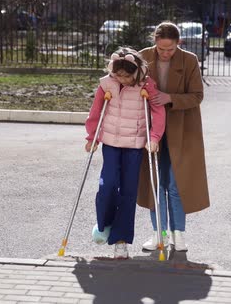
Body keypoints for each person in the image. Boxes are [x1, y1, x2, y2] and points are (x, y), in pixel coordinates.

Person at [85, 47, 165, 259]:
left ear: (136, 72)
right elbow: (96, 111)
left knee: (128, 192)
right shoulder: (107, 84)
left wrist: (154, 137)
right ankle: (104, 224)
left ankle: (120, 241)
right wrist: (92, 136)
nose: (122, 80)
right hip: (111, 142)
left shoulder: (147, 85)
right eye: (118, 75)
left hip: (136, 145)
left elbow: (158, 112)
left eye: (126, 77)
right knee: (108, 185)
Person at [137, 22, 210, 252]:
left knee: (176, 184)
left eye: (170, 49)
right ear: (155, 42)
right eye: (161, 49)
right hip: (152, 130)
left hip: (182, 129)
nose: (166, 53)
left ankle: (179, 234)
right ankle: (159, 232)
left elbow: (197, 95)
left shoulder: (189, 60)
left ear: (179, 43)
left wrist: (170, 98)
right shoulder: (143, 57)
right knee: (155, 183)